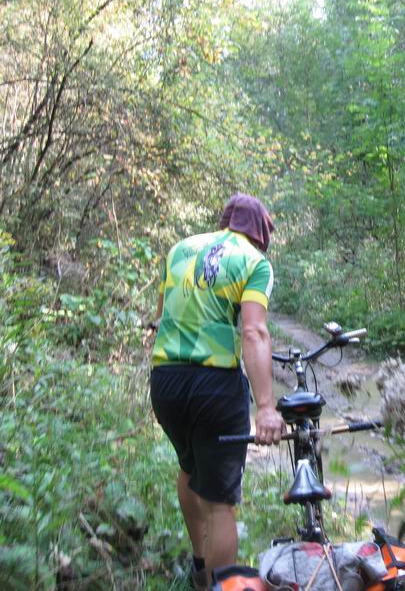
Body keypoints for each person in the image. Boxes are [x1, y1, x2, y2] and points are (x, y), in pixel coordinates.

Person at [149, 193, 285, 589]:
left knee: (190, 468)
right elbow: (254, 331)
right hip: (214, 387)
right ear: (260, 233)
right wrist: (266, 406)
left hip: (165, 382)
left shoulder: (181, 249)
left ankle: (199, 566)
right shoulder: (254, 262)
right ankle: (219, 584)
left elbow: (160, 317)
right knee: (220, 502)